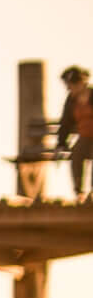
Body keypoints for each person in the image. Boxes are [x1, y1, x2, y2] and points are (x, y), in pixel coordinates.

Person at [61, 66, 93, 204]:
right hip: (84, 137)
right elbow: (65, 122)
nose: (69, 89)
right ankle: (79, 193)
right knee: (76, 154)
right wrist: (61, 143)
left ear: (80, 83)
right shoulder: (71, 100)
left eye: (70, 85)